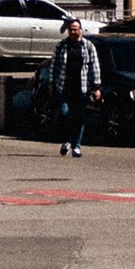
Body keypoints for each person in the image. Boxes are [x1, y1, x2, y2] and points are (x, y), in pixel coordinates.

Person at [51, 15, 99, 161]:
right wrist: (51, 84)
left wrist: (96, 87)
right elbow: (54, 66)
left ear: (80, 30)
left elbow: (94, 67)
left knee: (79, 117)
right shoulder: (61, 46)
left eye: (75, 30)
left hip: (82, 87)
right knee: (64, 114)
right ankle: (66, 140)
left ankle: (76, 146)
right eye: (70, 30)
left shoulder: (88, 46)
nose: (73, 32)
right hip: (64, 86)